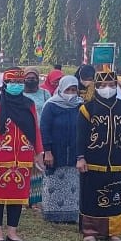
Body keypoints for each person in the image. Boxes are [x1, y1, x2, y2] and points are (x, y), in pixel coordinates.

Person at [0, 68, 44, 241]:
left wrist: (39, 152)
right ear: (5, 84)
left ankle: (13, 232)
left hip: (23, 157)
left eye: (19, 83)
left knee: (17, 197)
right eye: (13, 83)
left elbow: (35, 130)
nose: (16, 86)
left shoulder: (28, 104)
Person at [77, 71, 121, 241]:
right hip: (93, 161)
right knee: (91, 197)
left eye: (111, 85)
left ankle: (114, 232)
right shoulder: (87, 109)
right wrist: (80, 157)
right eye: (103, 86)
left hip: (118, 161)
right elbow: (80, 136)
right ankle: (90, 231)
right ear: (96, 87)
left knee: (116, 197)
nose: (107, 89)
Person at [40, 75, 83, 223]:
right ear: (61, 89)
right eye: (67, 90)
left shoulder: (81, 106)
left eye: (73, 90)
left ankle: (71, 214)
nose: (70, 93)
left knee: (73, 183)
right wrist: (48, 151)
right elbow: (45, 129)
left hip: (74, 152)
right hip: (55, 151)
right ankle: (53, 214)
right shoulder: (51, 105)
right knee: (54, 182)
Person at [23, 66, 51, 210]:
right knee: (23, 166)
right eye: (28, 78)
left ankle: (35, 200)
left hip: (39, 134)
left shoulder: (45, 94)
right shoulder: (19, 93)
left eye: (33, 78)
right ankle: (22, 199)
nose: (31, 80)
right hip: (23, 135)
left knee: (38, 168)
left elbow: (49, 112)